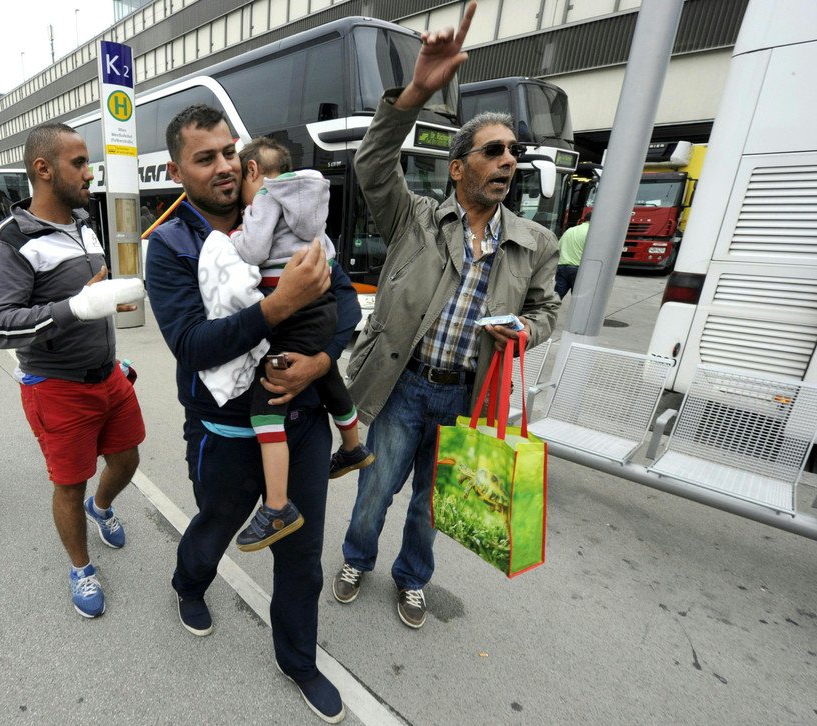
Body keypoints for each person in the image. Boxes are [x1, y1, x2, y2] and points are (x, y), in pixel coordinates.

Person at [333, 2, 560, 629]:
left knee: (432, 504)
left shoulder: (535, 243)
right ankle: (356, 559)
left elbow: (545, 310)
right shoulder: (416, 220)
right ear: (459, 168)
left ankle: (413, 580)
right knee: (376, 489)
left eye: (513, 151)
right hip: (404, 385)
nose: (508, 160)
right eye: (494, 151)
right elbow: (372, 163)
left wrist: (525, 330)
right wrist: (414, 95)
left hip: (468, 396)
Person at [146, 104, 360, 724]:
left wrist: (320, 362)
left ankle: (299, 661)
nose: (224, 166)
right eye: (204, 158)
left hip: (302, 424)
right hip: (225, 432)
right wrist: (277, 307)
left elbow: (345, 304)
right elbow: (191, 345)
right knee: (215, 527)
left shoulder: (281, 212)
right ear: (176, 170)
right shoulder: (171, 245)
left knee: (301, 552)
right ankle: (189, 584)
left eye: (228, 152)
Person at [0, 122, 146, 619]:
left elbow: (89, 300)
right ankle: (81, 568)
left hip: (109, 375)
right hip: (57, 388)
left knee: (127, 461)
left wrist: (105, 302)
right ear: (44, 169)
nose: (89, 172)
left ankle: (103, 507)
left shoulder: (84, 225)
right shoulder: (11, 237)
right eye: (79, 162)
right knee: (69, 485)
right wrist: (78, 306)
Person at [213, 137, 373, 552]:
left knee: (266, 406)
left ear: (252, 171)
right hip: (323, 308)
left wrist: (234, 236)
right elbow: (329, 258)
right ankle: (353, 447)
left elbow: (254, 249)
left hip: (295, 311)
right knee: (326, 373)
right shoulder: (314, 202)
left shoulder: (266, 197)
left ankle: (277, 507)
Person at [555, 211, 590, 299]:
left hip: (562, 267)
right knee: (578, 299)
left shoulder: (570, 230)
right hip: (579, 269)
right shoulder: (592, 232)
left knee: (556, 296)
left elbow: (558, 247)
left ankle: (549, 307)